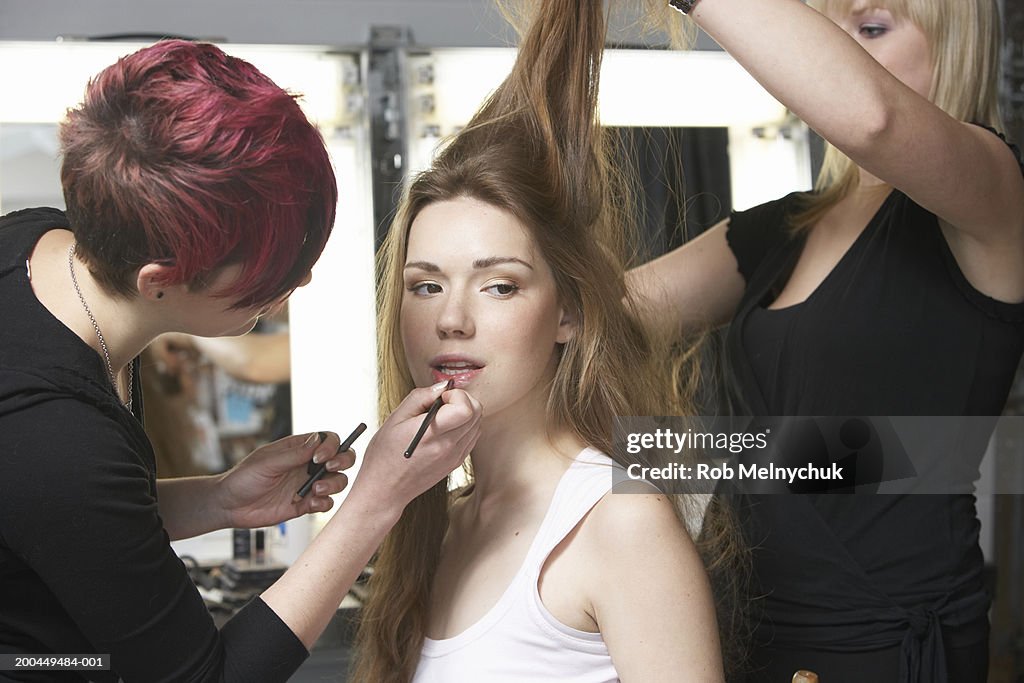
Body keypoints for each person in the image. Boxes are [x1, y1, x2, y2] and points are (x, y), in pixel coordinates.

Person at [0, 40, 482, 682]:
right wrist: (374, 500)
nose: (299, 284)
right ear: (160, 280)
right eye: (271, 276)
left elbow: (60, 525)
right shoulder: (53, 435)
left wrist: (220, 501)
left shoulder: (38, 240)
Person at [628, 0, 1024, 681]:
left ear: (954, 46)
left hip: (879, 641)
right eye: (822, 29)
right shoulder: (781, 230)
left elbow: (876, 117)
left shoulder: (995, 194)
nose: (831, 53)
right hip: (742, 624)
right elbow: (604, 318)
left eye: (870, 29)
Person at [351, 2, 744, 682]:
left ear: (567, 314)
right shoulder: (436, 522)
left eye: (499, 286)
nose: (453, 320)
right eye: (425, 286)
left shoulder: (621, 522)